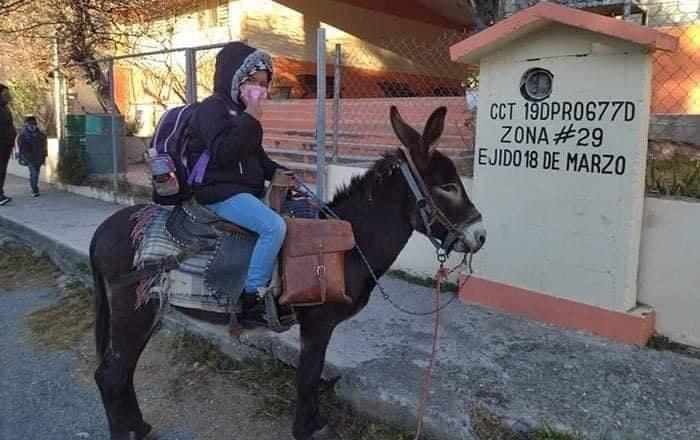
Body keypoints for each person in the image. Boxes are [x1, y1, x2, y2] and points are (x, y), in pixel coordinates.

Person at [188, 42, 288, 328]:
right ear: (234, 78)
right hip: (218, 191)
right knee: (274, 226)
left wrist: (282, 172)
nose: (259, 90)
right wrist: (251, 120)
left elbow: (259, 159)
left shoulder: (242, 114)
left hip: (242, 191)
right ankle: (251, 298)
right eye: (252, 82)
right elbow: (223, 153)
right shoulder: (212, 109)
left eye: (264, 84)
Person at [16, 115, 48, 197]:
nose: (32, 126)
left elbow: (44, 147)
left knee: (35, 173)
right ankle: (34, 190)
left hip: (39, 158)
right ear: (26, 125)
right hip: (29, 158)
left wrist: (44, 156)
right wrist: (26, 158)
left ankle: (33, 186)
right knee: (34, 173)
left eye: (34, 124)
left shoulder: (41, 135)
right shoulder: (23, 136)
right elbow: (22, 149)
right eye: (30, 124)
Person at [0, 83, 16, 206]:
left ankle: (1, 193)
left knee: (2, 170)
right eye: (5, 94)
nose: (8, 97)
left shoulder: (5, 108)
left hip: (6, 145)